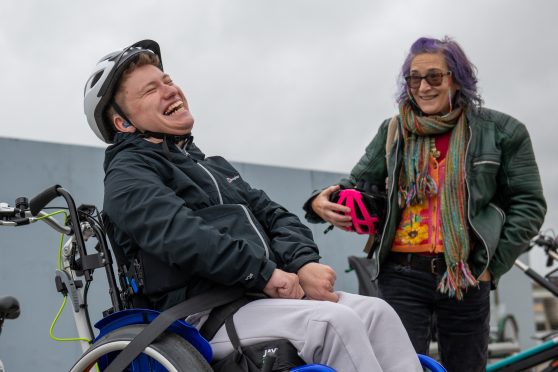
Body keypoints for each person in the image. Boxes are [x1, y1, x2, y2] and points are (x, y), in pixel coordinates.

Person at [83, 39, 422, 372]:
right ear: (123, 123)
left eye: (167, 80)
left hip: (259, 299)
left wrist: (302, 262)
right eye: (150, 90)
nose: (170, 90)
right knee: (333, 324)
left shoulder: (213, 166)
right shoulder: (127, 174)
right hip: (199, 317)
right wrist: (264, 274)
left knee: (378, 313)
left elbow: (275, 216)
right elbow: (182, 235)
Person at [304, 36, 546, 372]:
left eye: (434, 77)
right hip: (401, 273)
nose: (423, 87)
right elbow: (356, 182)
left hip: (466, 274)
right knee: (397, 366)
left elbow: (529, 204)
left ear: (458, 79)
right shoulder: (394, 130)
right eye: (414, 79)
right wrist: (320, 202)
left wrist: (491, 264)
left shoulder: (503, 131)